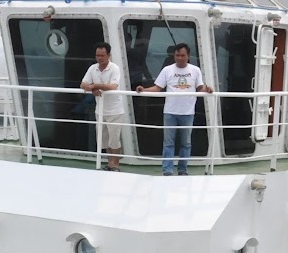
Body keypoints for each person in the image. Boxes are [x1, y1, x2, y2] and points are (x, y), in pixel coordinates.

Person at [136, 43, 212, 176]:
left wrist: (207, 89)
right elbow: (158, 88)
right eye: (177, 55)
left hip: (188, 112)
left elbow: (200, 88)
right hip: (170, 112)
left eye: (182, 55)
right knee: (168, 143)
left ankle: (182, 170)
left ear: (188, 56)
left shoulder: (195, 70)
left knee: (186, 143)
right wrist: (144, 90)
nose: (180, 58)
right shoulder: (167, 70)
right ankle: (167, 171)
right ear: (174, 56)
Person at [81, 41, 126, 171]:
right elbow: (83, 84)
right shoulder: (93, 68)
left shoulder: (114, 68)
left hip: (115, 111)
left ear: (108, 55)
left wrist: (95, 85)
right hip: (100, 110)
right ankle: (110, 163)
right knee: (104, 139)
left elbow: (113, 86)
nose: (99, 58)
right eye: (97, 55)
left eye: (102, 55)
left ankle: (115, 165)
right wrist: (92, 89)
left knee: (114, 139)